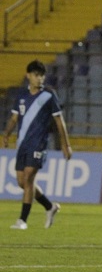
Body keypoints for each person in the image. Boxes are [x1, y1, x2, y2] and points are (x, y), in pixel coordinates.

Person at [3, 60, 71, 230]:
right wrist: (6, 134)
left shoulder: (49, 95)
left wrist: (65, 145)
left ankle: (22, 221)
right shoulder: (21, 96)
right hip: (22, 145)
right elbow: (14, 118)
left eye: (42, 75)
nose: (39, 79)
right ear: (28, 76)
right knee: (22, 182)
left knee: (28, 179)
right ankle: (50, 206)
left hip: (39, 145)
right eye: (36, 75)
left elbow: (59, 120)